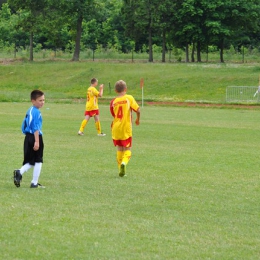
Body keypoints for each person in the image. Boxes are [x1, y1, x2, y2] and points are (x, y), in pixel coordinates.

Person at [13, 90, 45, 188]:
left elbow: (24, 125)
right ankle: (34, 183)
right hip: (35, 136)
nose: (42, 102)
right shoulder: (36, 112)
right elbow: (35, 128)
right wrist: (37, 141)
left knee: (31, 160)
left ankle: (19, 172)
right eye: (40, 100)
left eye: (43, 100)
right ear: (33, 101)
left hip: (28, 137)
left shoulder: (30, 110)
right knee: (38, 160)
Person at [110, 80, 140, 177]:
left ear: (115, 91)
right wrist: (137, 119)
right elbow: (138, 110)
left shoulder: (113, 102)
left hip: (116, 127)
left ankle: (120, 170)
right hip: (126, 127)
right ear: (125, 89)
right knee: (128, 148)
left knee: (119, 148)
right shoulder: (129, 98)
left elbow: (114, 115)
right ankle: (124, 163)